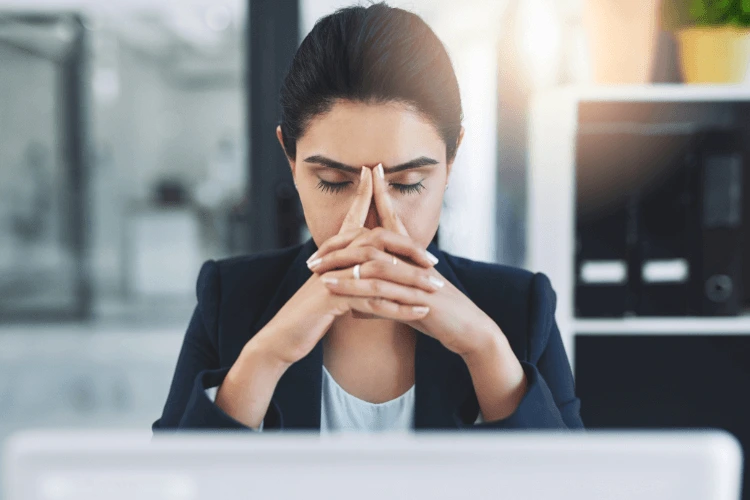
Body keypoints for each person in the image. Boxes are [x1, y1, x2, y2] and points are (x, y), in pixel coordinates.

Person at [153, 2, 583, 433]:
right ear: (291, 161)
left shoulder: (519, 310)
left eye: (409, 182)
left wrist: (486, 351)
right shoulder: (229, 300)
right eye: (334, 182)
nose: (371, 223)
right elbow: (174, 485)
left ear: (450, 164)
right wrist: (266, 357)